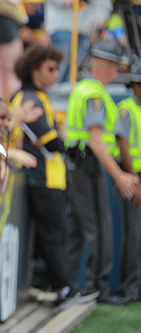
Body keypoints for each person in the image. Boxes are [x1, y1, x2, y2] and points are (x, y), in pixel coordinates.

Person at [12, 44, 89, 306]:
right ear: (35, 71)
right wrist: (60, 142)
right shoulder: (29, 98)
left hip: (48, 177)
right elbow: (52, 142)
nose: (57, 74)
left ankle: (57, 285)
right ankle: (63, 288)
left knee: (53, 234)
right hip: (41, 178)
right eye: (52, 69)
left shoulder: (37, 96)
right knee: (53, 235)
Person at [65, 39, 139, 301]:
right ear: (107, 64)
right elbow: (96, 140)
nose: (119, 71)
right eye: (117, 65)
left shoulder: (87, 89)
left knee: (78, 227)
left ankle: (69, 284)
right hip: (86, 164)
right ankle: (96, 286)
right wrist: (118, 176)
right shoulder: (94, 94)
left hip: (78, 163)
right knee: (98, 226)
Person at [107, 63, 141, 304]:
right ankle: (131, 287)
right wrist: (135, 179)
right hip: (133, 175)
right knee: (134, 233)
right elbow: (123, 145)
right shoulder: (127, 109)